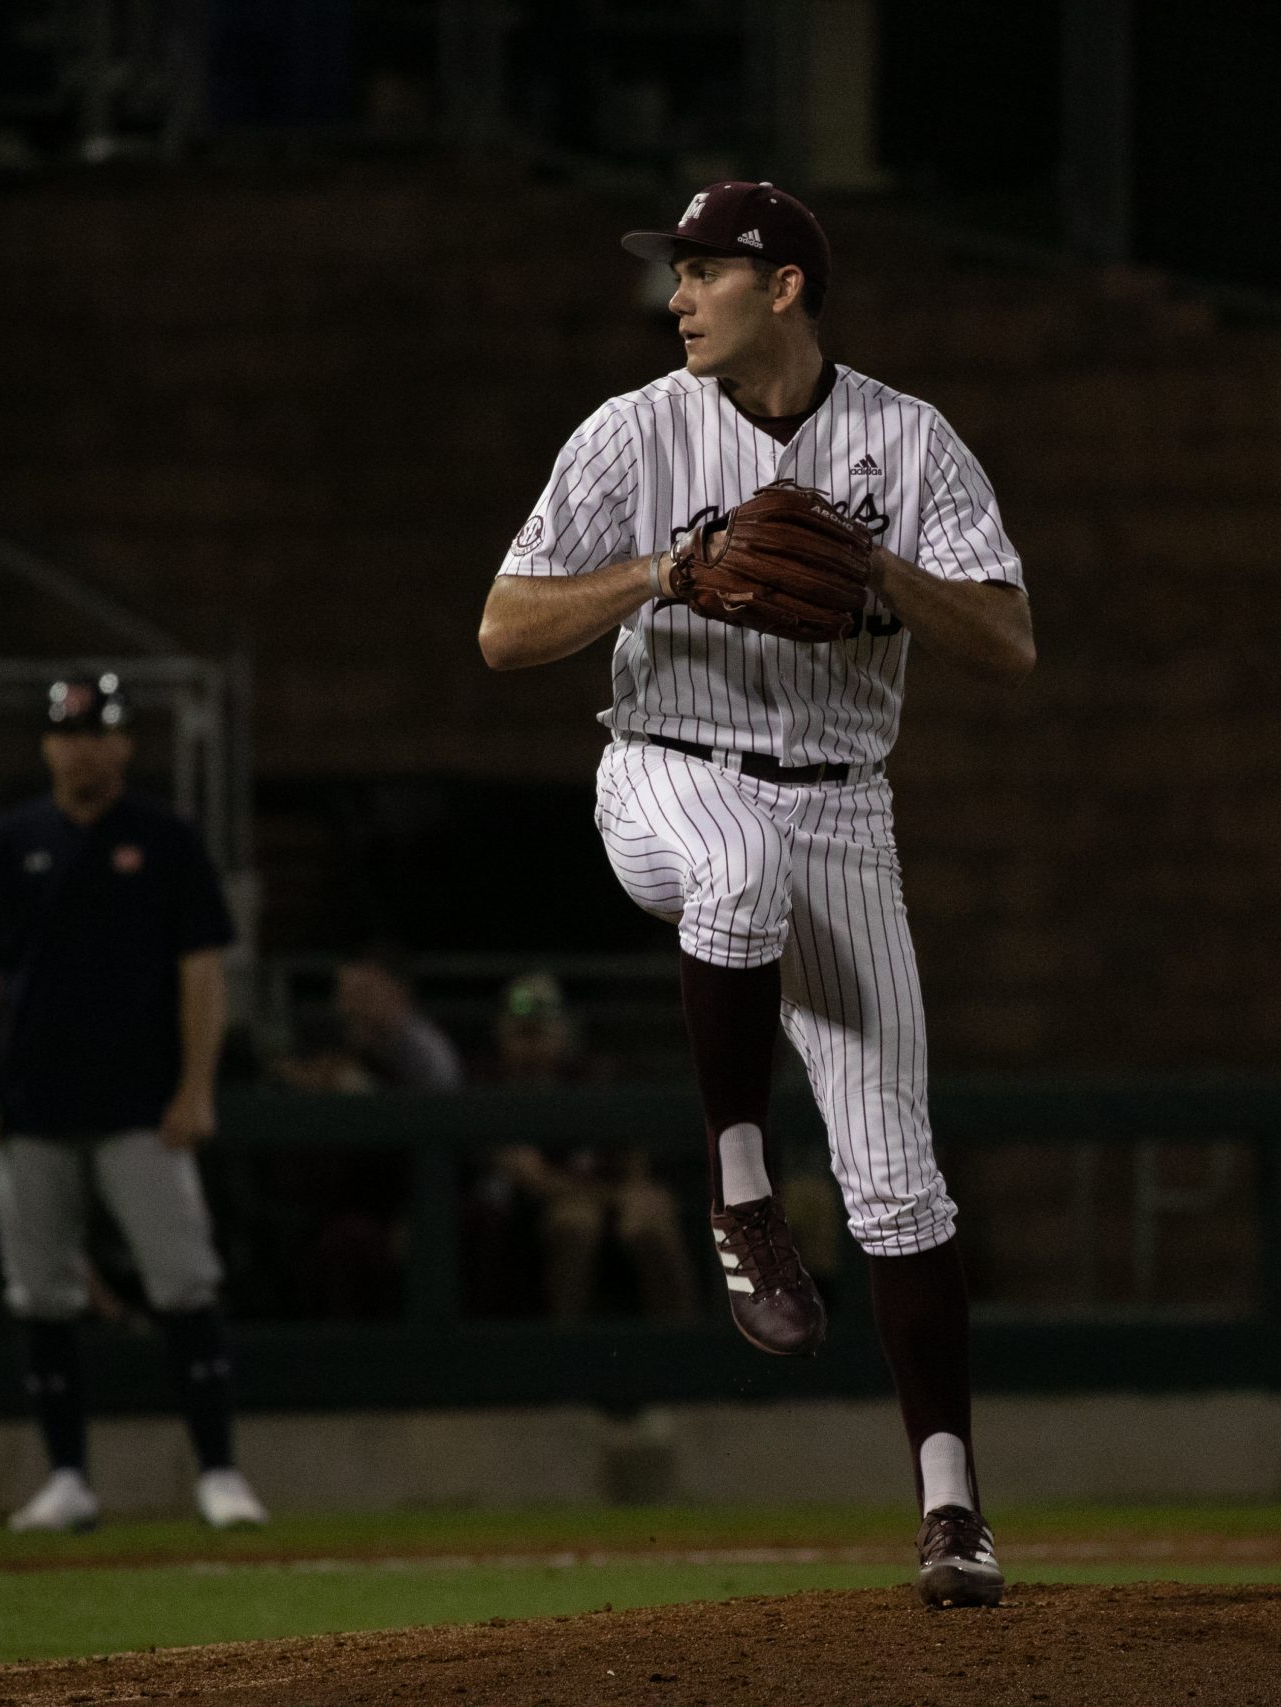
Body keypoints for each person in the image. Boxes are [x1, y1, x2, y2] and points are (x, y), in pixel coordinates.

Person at [478, 180, 1035, 1607]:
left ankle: (953, 1505)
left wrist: (875, 573)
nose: (676, 294)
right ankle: (739, 1194)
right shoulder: (634, 429)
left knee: (902, 1183)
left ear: (783, 285)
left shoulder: (907, 440)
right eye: (675, 271)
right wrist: (664, 570)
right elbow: (503, 626)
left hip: (844, 804)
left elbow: (1011, 636)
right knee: (733, 872)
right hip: (669, 768)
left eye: (702, 270)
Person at [0, 672, 266, 1532]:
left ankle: (219, 1471)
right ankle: (66, 1476)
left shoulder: (164, 839)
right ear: (49, 744)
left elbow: (203, 972)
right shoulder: (9, 842)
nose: (85, 747)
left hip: (140, 1106)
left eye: (100, 732)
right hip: (31, 1104)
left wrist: (195, 1086)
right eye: (71, 732)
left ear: (124, 744)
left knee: (183, 1283)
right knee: (41, 1295)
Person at [485, 972, 693, 1322]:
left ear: (563, 1032)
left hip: (605, 1198)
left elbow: (632, 1152)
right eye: (522, 1032)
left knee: (650, 1219)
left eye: (541, 1031)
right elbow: (532, 1179)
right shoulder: (491, 1090)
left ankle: (687, 1358)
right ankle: (566, 1362)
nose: (532, 1044)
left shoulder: (592, 1079)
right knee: (576, 1222)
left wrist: (635, 1189)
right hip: (528, 1218)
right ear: (501, 1034)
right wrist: (617, 1196)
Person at [334, 957, 462, 1090]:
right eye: (344, 994)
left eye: (362, 992)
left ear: (399, 991)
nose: (348, 1006)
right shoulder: (346, 1038)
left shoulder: (426, 1048)